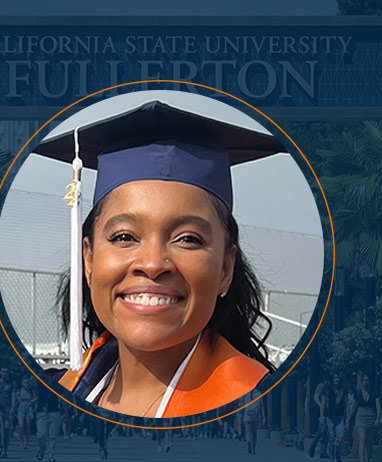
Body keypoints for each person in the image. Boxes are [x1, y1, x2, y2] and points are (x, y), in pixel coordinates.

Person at [33, 101, 285, 418]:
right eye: (124, 237)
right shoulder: (59, 391)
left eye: (188, 239)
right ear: (89, 259)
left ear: (225, 268)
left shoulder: (258, 407)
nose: (152, 264)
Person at [350, 372, 381, 462]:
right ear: (361, 381)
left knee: (369, 441)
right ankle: (362, 461)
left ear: (370, 382)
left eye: (367, 380)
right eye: (364, 380)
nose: (365, 382)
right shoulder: (357, 392)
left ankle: (368, 461)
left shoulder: (375, 393)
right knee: (362, 439)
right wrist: (348, 419)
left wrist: (378, 418)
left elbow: (378, 407)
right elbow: (353, 407)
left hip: (371, 416)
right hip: (360, 416)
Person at [35, 375, 62, 462]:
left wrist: (65, 412)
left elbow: (62, 398)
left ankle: (51, 455)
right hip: (42, 412)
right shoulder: (40, 383)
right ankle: (42, 449)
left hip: (54, 412)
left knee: (52, 436)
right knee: (41, 435)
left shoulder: (57, 385)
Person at [0, 367, 16, 457]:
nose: (5, 373)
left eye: (7, 372)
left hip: (8, 409)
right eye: (3, 372)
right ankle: (0, 445)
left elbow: (13, 396)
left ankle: (5, 449)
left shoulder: (12, 383)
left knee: (7, 430)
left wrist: (13, 407)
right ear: (0, 373)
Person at [324, 373, 348, 462]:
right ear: (331, 380)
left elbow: (346, 405)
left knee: (340, 439)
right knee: (331, 438)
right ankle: (331, 460)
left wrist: (347, 419)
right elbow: (323, 402)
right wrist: (322, 416)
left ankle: (338, 456)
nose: (336, 379)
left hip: (340, 416)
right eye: (334, 378)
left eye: (337, 377)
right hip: (329, 416)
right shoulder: (327, 390)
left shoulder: (342, 390)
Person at [309, 376, 329, 459]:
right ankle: (313, 445)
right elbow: (315, 397)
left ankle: (322, 452)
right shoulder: (322, 385)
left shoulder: (335, 387)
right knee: (322, 430)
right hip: (321, 411)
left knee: (327, 432)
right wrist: (321, 406)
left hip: (330, 411)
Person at [16, 375, 36, 450]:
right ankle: (21, 441)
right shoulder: (19, 391)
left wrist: (31, 401)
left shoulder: (32, 391)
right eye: (25, 383)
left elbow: (36, 397)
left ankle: (26, 443)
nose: (26, 384)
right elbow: (16, 399)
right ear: (22, 384)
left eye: (27, 383)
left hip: (29, 408)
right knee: (21, 426)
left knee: (27, 426)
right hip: (21, 408)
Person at [241, 388, 264, 455]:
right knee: (254, 433)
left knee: (248, 432)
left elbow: (242, 404)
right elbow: (261, 405)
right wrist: (263, 416)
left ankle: (248, 441)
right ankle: (253, 449)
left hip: (247, 414)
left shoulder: (246, 392)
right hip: (256, 414)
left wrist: (242, 414)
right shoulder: (259, 392)